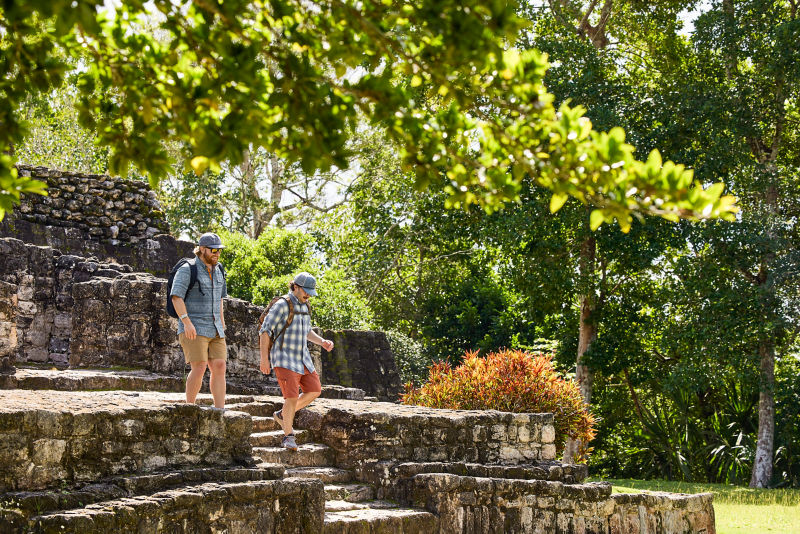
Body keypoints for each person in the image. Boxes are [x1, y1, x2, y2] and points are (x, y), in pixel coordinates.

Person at [259, 272, 334, 450]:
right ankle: (288, 436)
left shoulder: (305, 305)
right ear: (295, 287)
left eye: (310, 292)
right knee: (291, 397)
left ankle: (283, 415)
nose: (307, 295)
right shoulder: (282, 305)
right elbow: (265, 331)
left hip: (302, 357)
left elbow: (307, 331)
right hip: (284, 357)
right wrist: (264, 359)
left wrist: (322, 342)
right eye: (305, 291)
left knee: (315, 390)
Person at [170, 232, 228, 410]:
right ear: (202, 249)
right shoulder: (188, 269)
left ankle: (220, 409)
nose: (217, 254)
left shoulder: (219, 270)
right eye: (213, 250)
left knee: (219, 366)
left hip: (215, 327)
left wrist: (222, 323)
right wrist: (186, 322)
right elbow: (176, 297)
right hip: (193, 326)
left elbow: (219, 299)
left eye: (219, 250)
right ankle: (189, 407)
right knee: (200, 366)